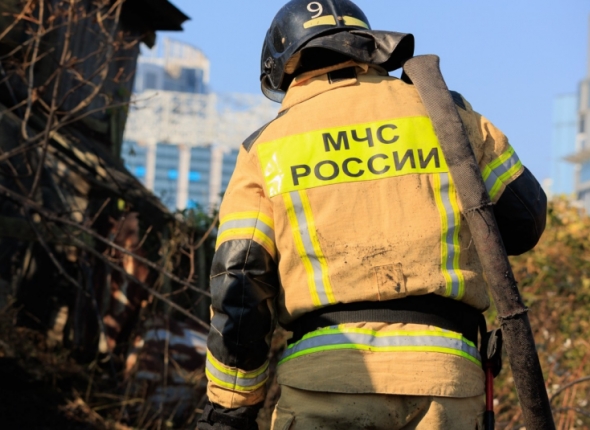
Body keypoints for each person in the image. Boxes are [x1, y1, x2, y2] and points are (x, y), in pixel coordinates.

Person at [197, 1, 547, 429]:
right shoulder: (449, 116)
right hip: (447, 382)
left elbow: (239, 282)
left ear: (282, 67)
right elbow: (525, 223)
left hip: (324, 384)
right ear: (366, 48)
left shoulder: (263, 148)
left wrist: (230, 408)